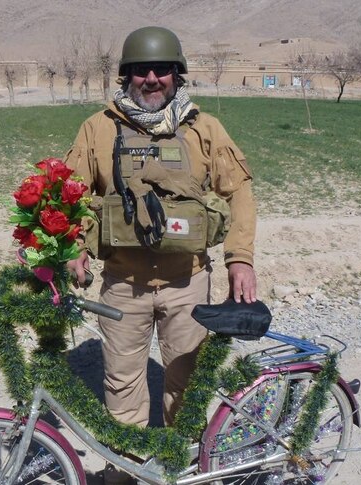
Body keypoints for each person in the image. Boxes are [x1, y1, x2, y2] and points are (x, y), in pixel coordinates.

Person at [64, 26, 257, 481]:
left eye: (162, 70)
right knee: (122, 385)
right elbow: (67, 191)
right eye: (141, 71)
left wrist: (240, 258)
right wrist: (72, 247)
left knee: (187, 386)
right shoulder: (98, 128)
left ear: (177, 75)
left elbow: (239, 190)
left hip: (186, 281)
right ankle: (127, 474)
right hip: (122, 285)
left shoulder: (204, 129)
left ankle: (179, 469)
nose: (152, 79)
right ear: (126, 76)